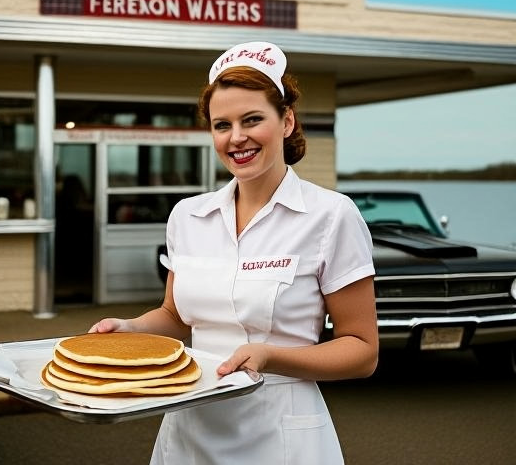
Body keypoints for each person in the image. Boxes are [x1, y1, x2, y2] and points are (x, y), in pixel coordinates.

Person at [89, 41, 378, 465]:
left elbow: (363, 351)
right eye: (222, 124)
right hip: (189, 426)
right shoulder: (188, 216)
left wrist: (270, 355)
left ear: (286, 122)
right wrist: (131, 328)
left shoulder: (331, 216)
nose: (236, 137)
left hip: (280, 433)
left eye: (252, 119)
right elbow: (174, 316)